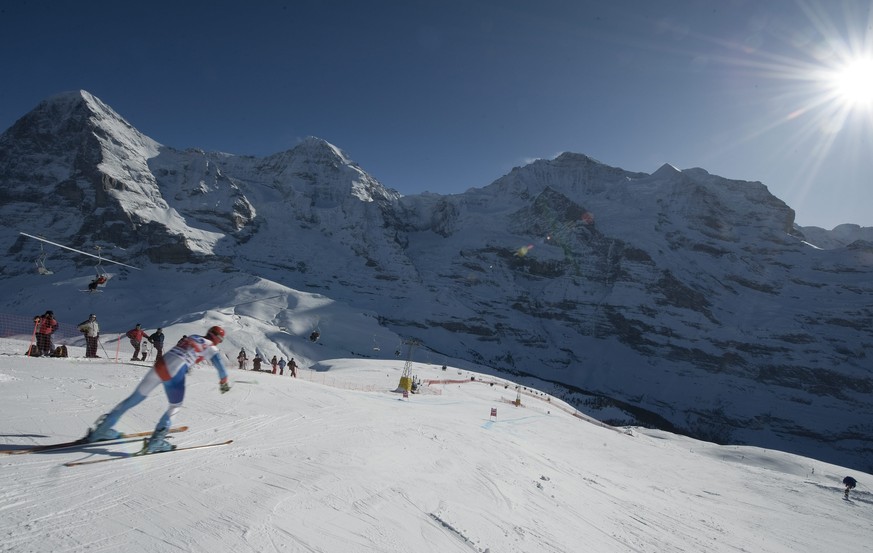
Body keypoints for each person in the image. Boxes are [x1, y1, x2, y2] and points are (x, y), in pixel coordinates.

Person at [85, 326, 230, 453]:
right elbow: (221, 368)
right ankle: (156, 441)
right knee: (175, 406)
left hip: (160, 364)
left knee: (134, 398)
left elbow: (185, 349)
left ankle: (102, 429)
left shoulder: (194, 336)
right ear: (217, 339)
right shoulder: (212, 347)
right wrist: (224, 382)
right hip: (174, 371)